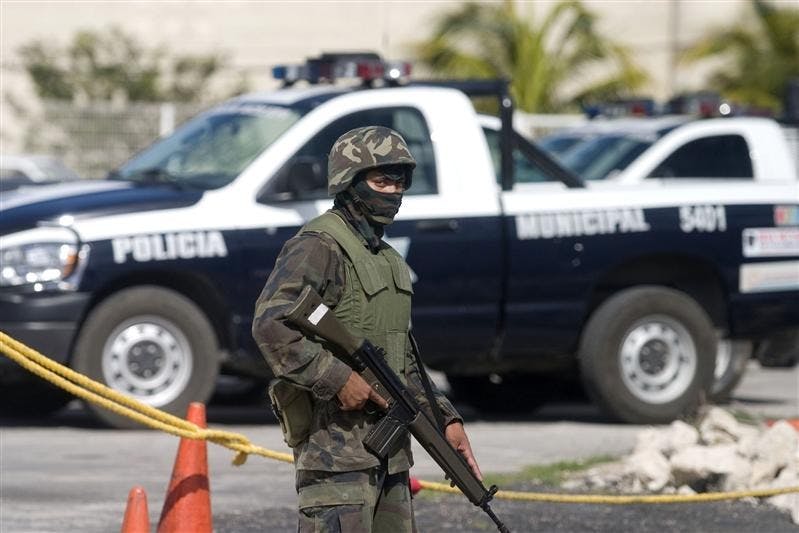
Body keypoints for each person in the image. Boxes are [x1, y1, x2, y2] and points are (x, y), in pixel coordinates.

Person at [252, 126, 482, 533]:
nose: (393, 192)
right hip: (336, 457)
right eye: (381, 181)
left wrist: (445, 418)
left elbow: (401, 359)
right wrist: (338, 378)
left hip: (391, 457)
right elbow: (272, 325)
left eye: (399, 182)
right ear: (350, 183)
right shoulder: (319, 245)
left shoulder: (388, 259)